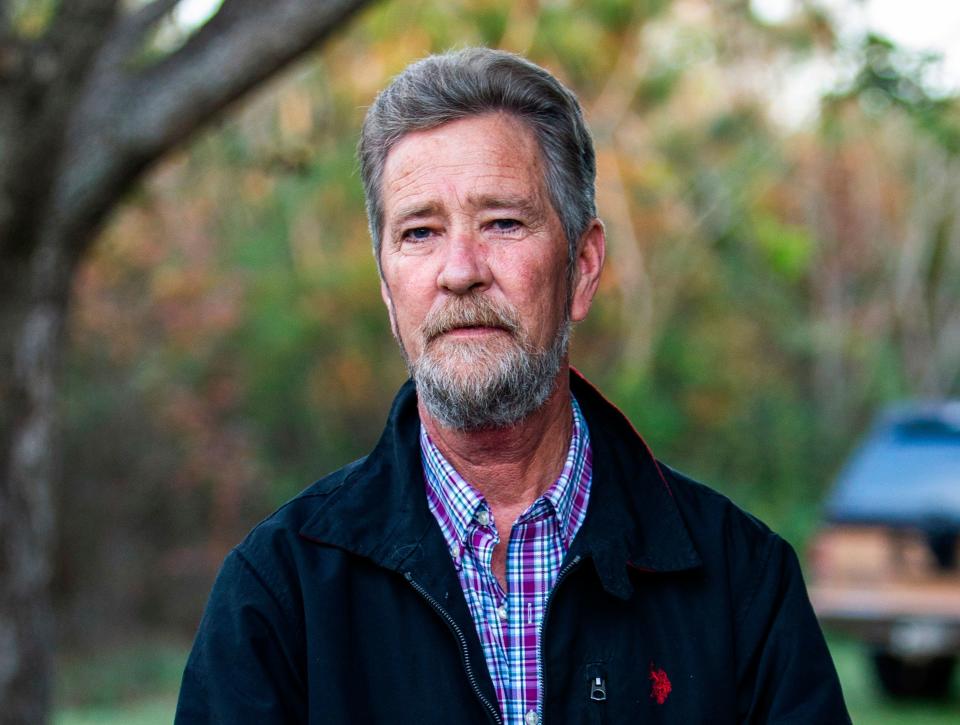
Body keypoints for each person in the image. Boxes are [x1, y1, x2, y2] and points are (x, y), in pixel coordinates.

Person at [175, 48, 850, 724]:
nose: (460, 270)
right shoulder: (277, 596)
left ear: (582, 266)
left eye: (502, 222)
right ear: (387, 288)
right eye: (420, 231)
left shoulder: (742, 583)